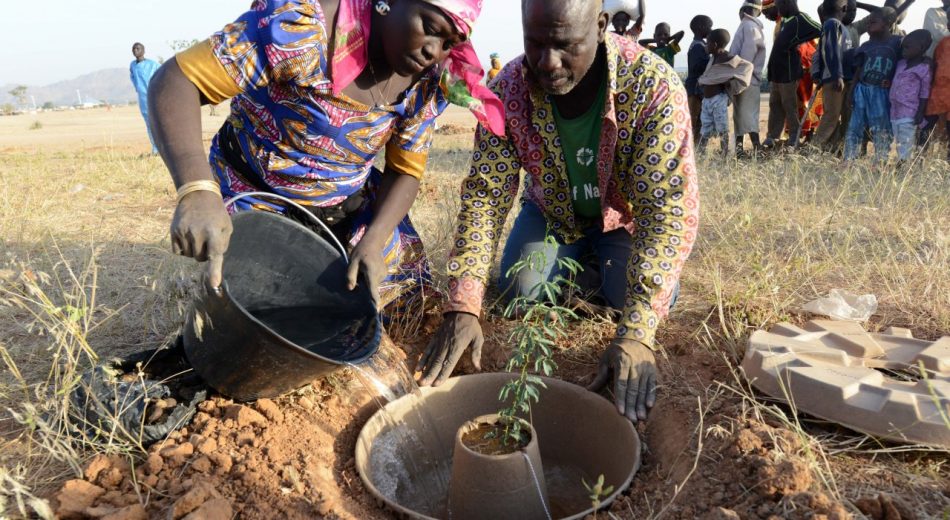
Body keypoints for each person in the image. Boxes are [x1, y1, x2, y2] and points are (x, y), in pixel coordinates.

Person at [418, 0, 699, 426]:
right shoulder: (510, 87)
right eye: (535, 43)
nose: (548, 63)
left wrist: (638, 334)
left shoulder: (652, 87)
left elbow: (666, 213)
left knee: (633, 300)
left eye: (566, 45)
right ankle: (586, 268)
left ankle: (604, 271)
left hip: (623, 221)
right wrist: (464, 303)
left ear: (601, 26)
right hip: (553, 216)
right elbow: (486, 195)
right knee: (520, 291)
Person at [148, 0, 503, 312]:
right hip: (253, 195)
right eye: (430, 28)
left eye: (448, 44)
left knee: (394, 306)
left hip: (343, 208)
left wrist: (374, 240)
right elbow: (177, 80)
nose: (434, 51)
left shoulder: (426, 83)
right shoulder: (300, 31)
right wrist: (196, 190)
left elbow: (404, 171)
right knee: (252, 308)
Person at [845, 8, 903, 162]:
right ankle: (849, 159)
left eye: (873, 22)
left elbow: (902, 67)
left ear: (887, 24)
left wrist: (893, 82)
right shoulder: (865, 46)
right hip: (862, 90)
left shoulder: (897, 43)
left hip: (882, 92)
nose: (869, 25)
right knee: (855, 126)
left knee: (881, 127)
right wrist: (851, 92)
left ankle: (881, 160)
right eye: (868, 22)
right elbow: (858, 70)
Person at [764, 0, 821, 149]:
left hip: (789, 72)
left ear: (788, 3)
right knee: (774, 104)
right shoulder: (783, 21)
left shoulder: (800, 18)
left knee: (789, 105)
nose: (778, 8)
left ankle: (794, 137)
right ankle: (773, 136)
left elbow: (819, 29)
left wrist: (800, 41)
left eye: (780, 5)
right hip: (777, 72)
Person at [698, 29, 755, 154]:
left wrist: (729, 80)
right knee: (705, 128)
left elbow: (748, 66)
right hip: (706, 100)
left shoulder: (730, 59)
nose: (706, 46)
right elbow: (710, 76)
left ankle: (724, 154)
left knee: (722, 128)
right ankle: (700, 155)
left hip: (718, 99)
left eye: (707, 43)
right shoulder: (712, 59)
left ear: (715, 45)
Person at [813, 0, 857, 151]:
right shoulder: (832, 24)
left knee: (844, 115)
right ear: (844, 8)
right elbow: (831, 49)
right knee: (831, 116)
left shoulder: (838, 26)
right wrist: (837, 75)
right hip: (836, 80)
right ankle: (814, 149)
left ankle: (835, 149)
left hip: (843, 79)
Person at [890, 30, 933, 161]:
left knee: (905, 142)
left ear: (921, 48)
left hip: (909, 113)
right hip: (894, 112)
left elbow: (924, 92)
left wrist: (920, 112)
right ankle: (900, 164)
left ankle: (904, 167)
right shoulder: (901, 63)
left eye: (908, 47)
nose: (904, 50)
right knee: (897, 142)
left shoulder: (924, 68)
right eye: (903, 47)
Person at [730, 0, 767, 154]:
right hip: (745, 78)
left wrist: (739, 76)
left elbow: (747, 56)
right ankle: (740, 150)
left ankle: (756, 148)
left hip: (746, 78)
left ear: (743, 11)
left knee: (747, 115)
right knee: (741, 115)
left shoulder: (748, 26)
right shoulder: (751, 26)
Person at [129, 43, 161, 155]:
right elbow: (133, 78)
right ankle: (155, 149)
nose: (135, 50)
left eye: (138, 48)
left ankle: (164, 148)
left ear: (143, 50)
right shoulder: (132, 65)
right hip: (142, 99)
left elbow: (162, 75)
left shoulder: (153, 64)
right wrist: (138, 89)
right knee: (149, 124)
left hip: (154, 96)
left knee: (159, 122)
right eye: (133, 49)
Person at [686, 15, 714, 143]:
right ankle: (690, 146)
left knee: (699, 120)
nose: (711, 29)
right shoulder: (698, 46)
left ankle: (696, 146)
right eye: (709, 27)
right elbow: (697, 66)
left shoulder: (700, 45)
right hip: (694, 89)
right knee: (693, 119)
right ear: (701, 28)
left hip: (696, 88)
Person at [923, 36, 950, 158]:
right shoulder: (943, 42)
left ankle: (946, 167)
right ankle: (919, 159)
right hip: (938, 92)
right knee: (927, 126)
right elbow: (935, 63)